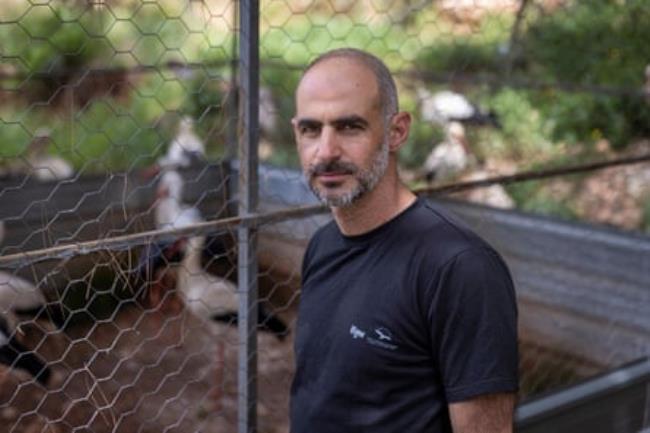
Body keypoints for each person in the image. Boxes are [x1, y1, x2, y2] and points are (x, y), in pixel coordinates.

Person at [289, 48, 518, 433]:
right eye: (311, 129)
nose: (326, 151)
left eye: (349, 127)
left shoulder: (459, 268)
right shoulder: (322, 245)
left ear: (397, 132)